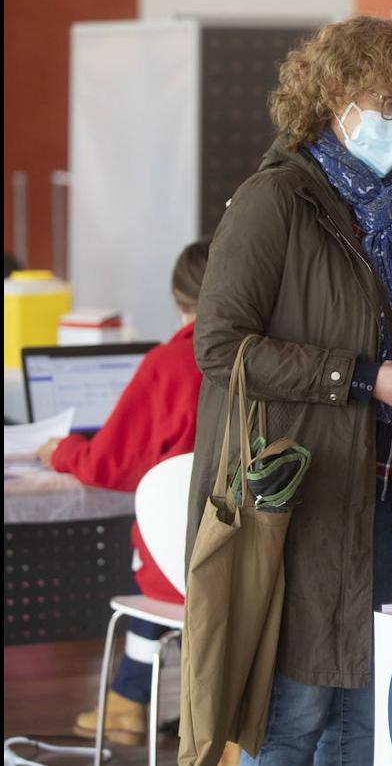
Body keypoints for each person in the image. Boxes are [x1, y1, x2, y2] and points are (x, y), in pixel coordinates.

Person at [186, 16, 392, 764]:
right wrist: (362, 377)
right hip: (295, 499)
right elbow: (220, 347)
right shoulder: (274, 199)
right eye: (386, 105)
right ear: (333, 96)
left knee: (368, 719)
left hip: (383, 493)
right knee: (294, 716)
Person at [33, 239, 208, 745]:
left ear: (179, 301)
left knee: (152, 564)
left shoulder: (167, 364)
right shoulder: (272, 357)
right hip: (259, 558)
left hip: (177, 567)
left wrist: (60, 450)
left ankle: (129, 700)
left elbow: (107, 464)